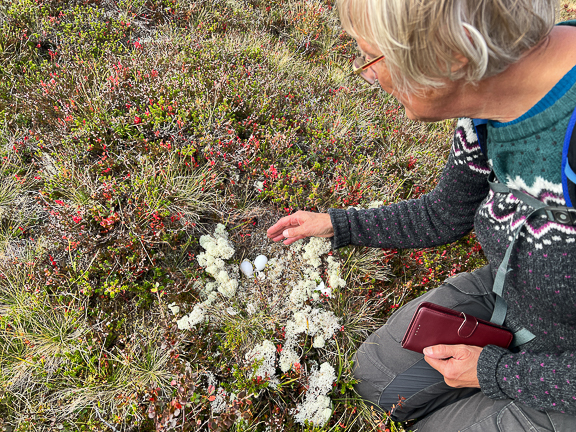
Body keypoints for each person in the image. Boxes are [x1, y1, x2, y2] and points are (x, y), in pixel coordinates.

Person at [267, 0, 576, 430]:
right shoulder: (490, 100)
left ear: (453, 53)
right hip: (515, 296)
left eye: (372, 58)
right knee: (374, 382)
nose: (368, 75)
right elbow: (445, 212)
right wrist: (339, 224)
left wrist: (495, 372)